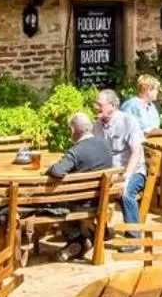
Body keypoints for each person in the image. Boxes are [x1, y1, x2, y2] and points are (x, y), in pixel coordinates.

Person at [45, 111, 116, 260]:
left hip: (79, 203)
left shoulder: (76, 151)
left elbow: (58, 171)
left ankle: (77, 240)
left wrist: (51, 167)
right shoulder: (105, 145)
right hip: (99, 200)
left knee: (52, 202)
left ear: (73, 130)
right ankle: (88, 235)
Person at [97, 89, 148, 227]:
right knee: (87, 191)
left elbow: (136, 152)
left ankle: (133, 238)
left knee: (126, 193)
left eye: (99, 104)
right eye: (95, 103)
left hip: (133, 171)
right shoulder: (97, 124)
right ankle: (99, 233)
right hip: (109, 173)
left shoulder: (128, 121)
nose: (96, 107)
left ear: (112, 106)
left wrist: (126, 177)